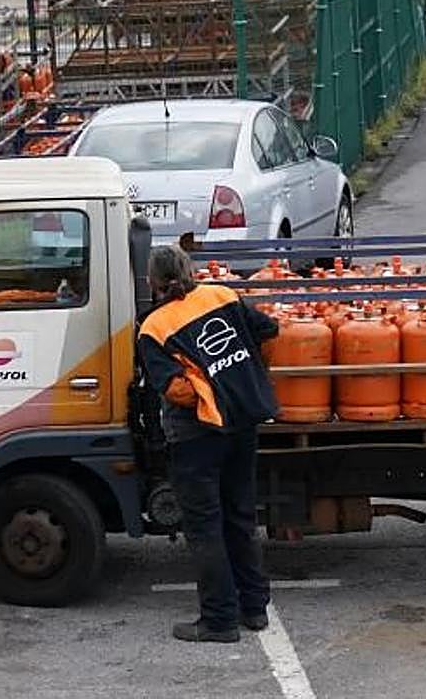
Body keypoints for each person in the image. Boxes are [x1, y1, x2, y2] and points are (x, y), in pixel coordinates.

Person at [137, 245, 280, 643]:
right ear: (189, 270)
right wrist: (251, 375)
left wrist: (208, 392)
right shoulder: (222, 295)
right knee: (241, 517)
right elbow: (269, 331)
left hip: (196, 435)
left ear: (152, 281)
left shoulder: (154, 327)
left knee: (205, 528)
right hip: (242, 424)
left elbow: (174, 389)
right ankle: (254, 608)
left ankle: (219, 620)